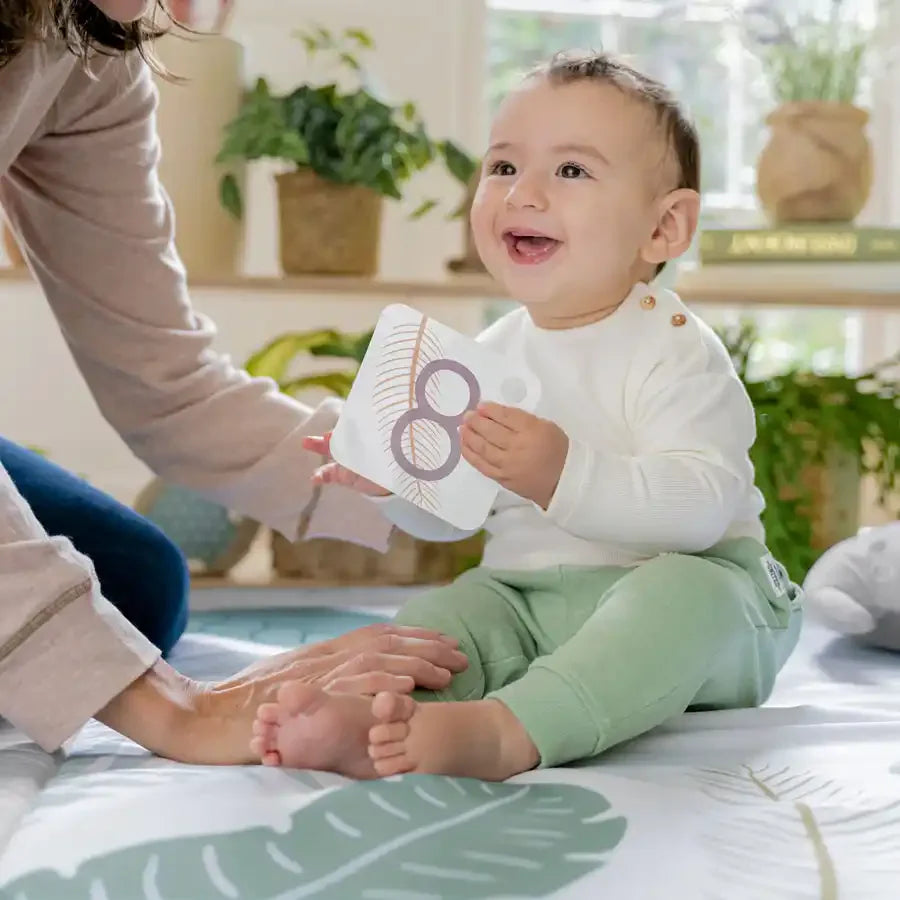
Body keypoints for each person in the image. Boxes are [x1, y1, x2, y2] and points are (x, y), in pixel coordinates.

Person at [249, 51, 804, 781]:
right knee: (445, 622)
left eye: (571, 171)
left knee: (686, 598)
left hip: (701, 604)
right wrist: (398, 485)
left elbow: (699, 511)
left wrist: (560, 473)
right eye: (504, 168)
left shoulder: (674, 350)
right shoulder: (490, 355)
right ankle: (372, 716)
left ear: (665, 228)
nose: (524, 194)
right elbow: (458, 516)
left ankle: (508, 731)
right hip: (530, 603)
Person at [0, 0, 467, 764]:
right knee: (82, 654)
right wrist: (172, 710)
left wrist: (434, 478)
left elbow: (168, 382)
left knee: (138, 587)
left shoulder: (92, 49)